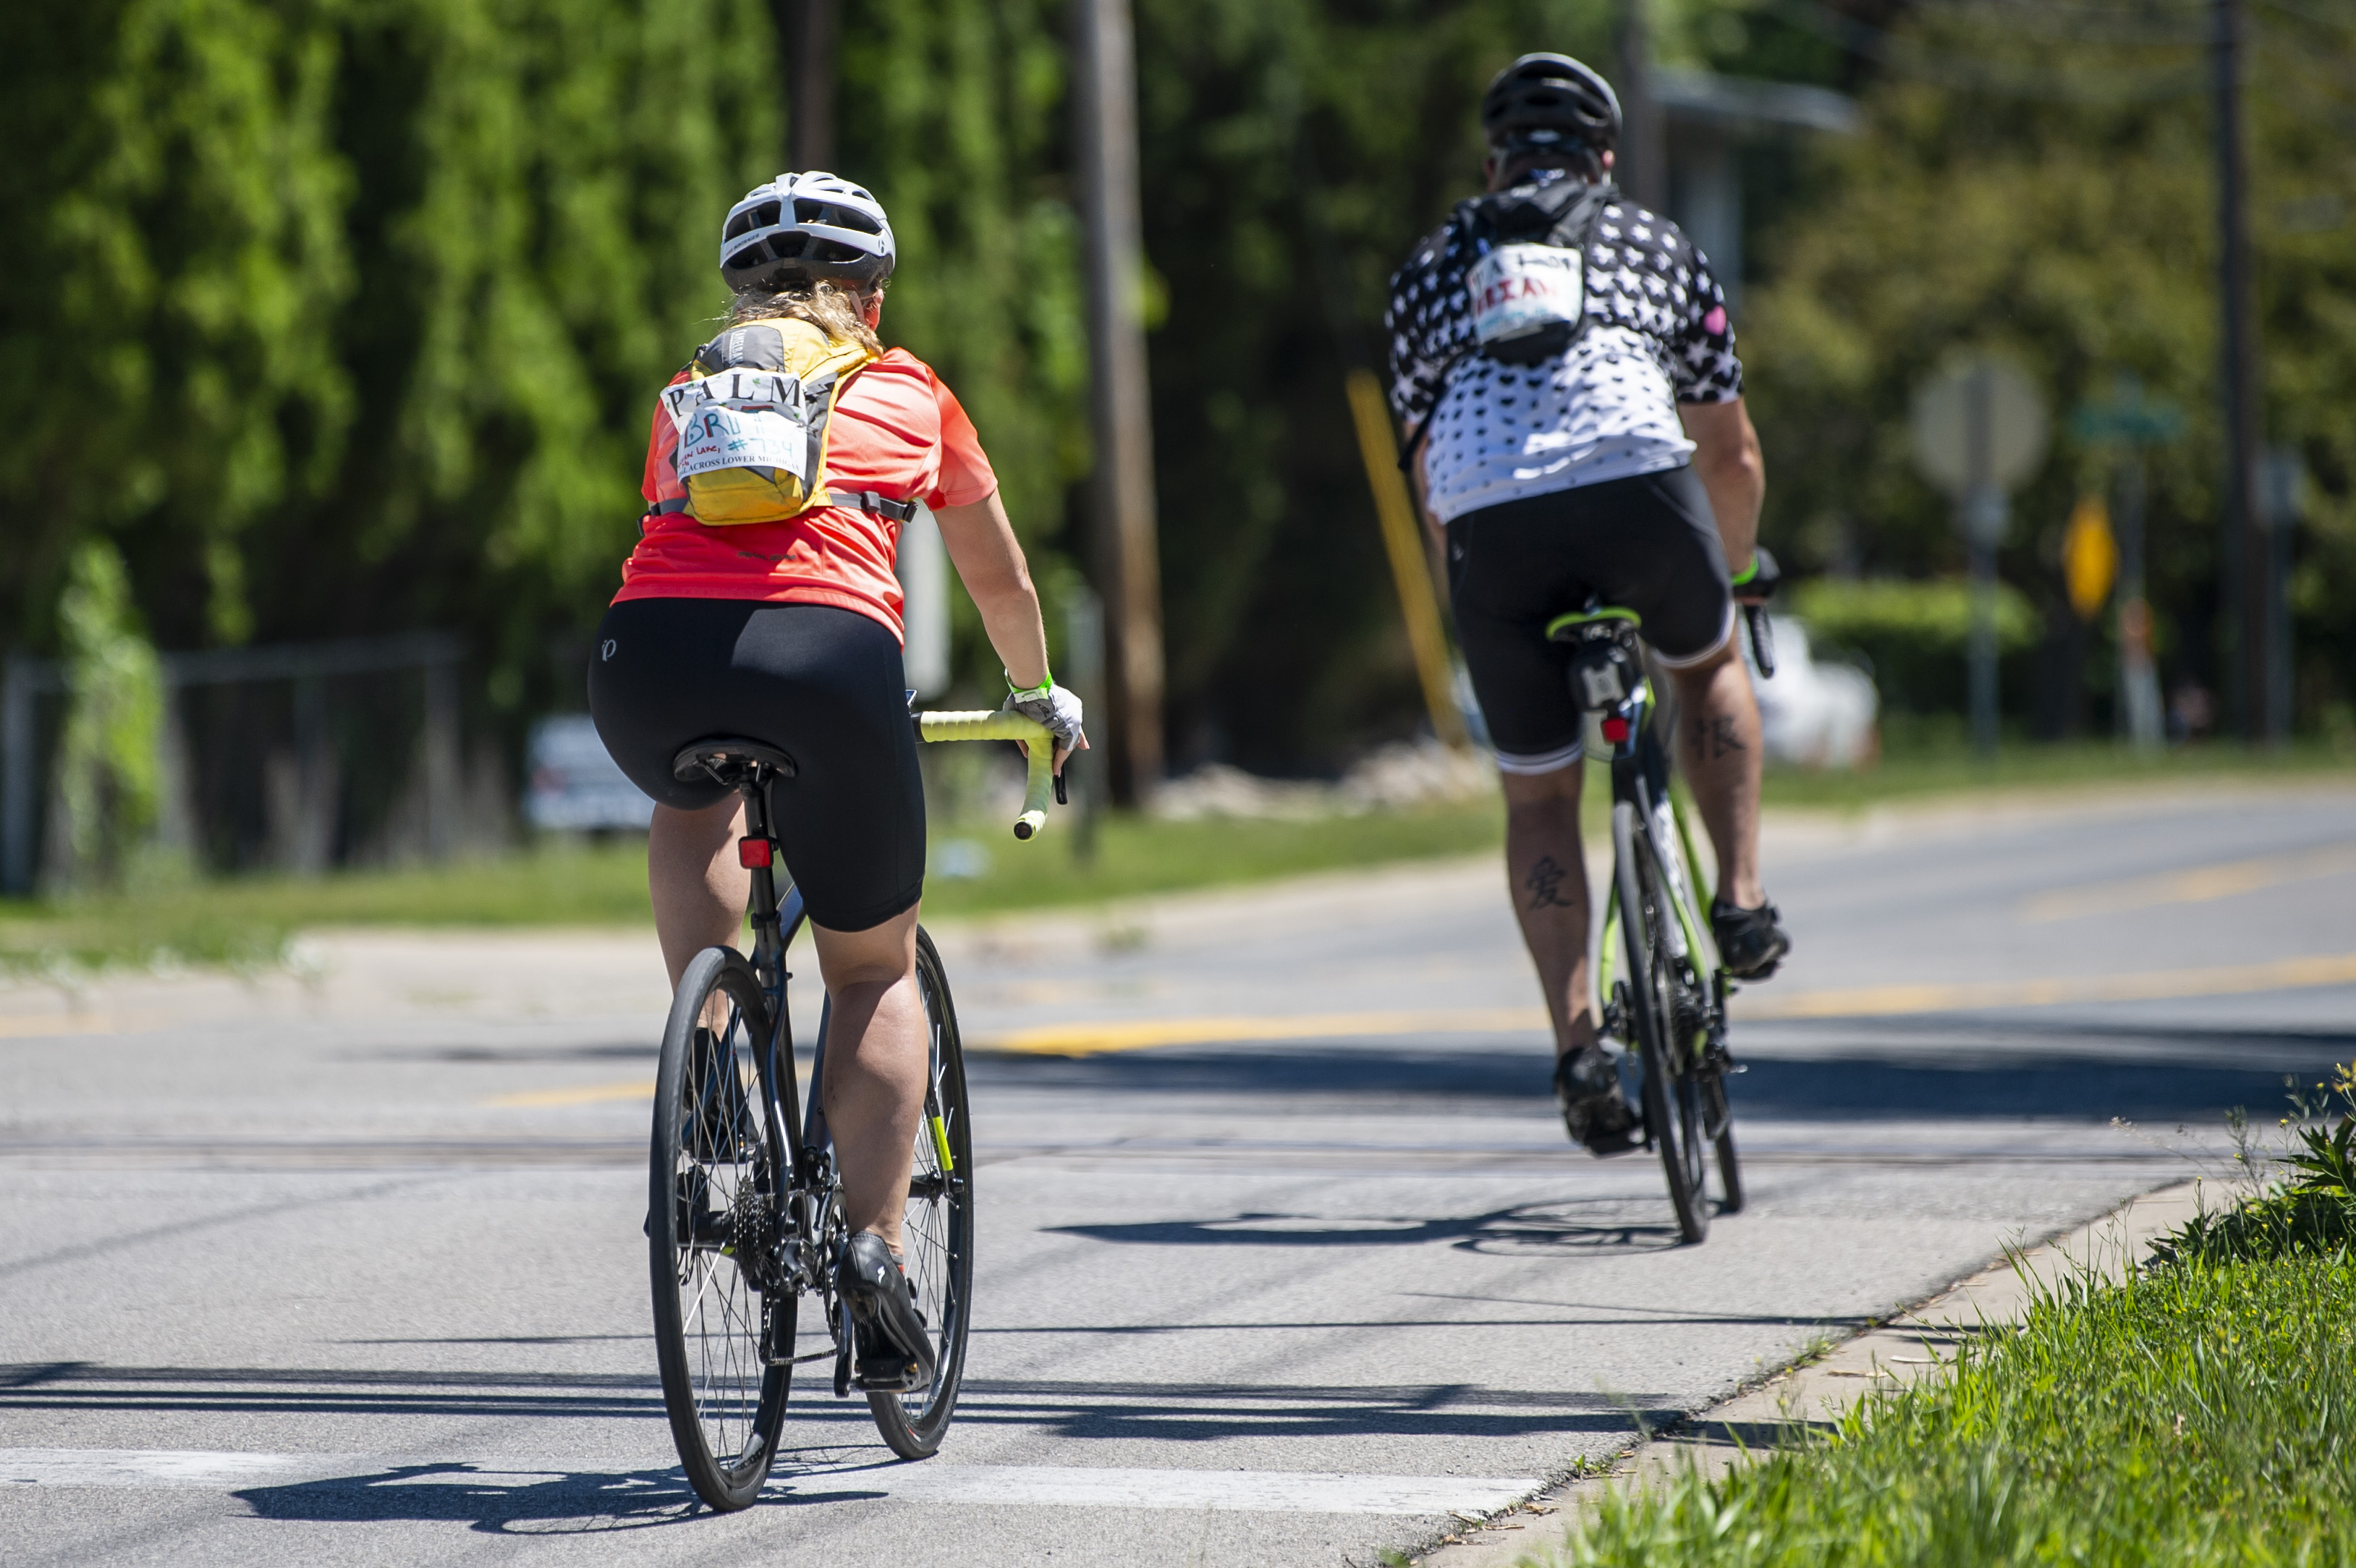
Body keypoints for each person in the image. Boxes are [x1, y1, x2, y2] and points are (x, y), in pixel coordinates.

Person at [588, 171, 1084, 1388]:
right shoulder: (908, 389)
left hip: (645, 661)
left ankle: (708, 1039)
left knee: (690, 786)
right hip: (828, 659)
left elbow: (689, 553)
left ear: (740, 291)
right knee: (872, 966)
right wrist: (1036, 694)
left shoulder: (682, 396)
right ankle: (871, 1254)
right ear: (868, 292)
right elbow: (1001, 580)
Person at [1385, 55, 1791, 1156]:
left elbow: (1427, 472)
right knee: (1704, 664)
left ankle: (1576, 1044)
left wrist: (1482, 585)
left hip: (1490, 524)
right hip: (1637, 488)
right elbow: (1730, 448)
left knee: (1536, 798)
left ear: (1493, 164)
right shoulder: (1658, 243)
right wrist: (1737, 574)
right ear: (1605, 159)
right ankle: (1743, 903)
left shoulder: (1431, 266)